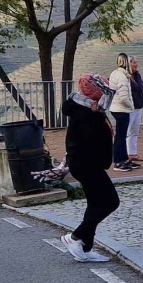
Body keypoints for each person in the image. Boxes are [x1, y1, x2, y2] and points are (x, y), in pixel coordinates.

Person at [59, 74, 120, 263]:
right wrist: (96, 116)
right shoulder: (85, 111)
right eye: (103, 88)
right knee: (111, 202)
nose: (105, 92)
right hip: (87, 165)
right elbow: (90, 139)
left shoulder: (87, 107)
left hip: (87, 164)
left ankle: (85, 248)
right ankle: (74, 237)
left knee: (94, 204)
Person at [108, 53, 137, 170]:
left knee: (122, 135)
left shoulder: (115, 73)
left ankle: (124, 159)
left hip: (116, 108)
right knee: (120, 136)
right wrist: (131, 107)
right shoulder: (122, 77)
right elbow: (124, 97)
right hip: (121, 109)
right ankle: (118, 161)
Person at [127, 55, 143, 162]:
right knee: (128, 131)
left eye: (136, 62)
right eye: (134, 62)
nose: (136, 64)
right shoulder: (124, 76)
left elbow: (139, 88)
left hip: (138, 106)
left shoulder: (137, 75)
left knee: (135, 131)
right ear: (129, 63)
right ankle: (125, 155)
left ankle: (132, 153)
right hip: (130, 107)